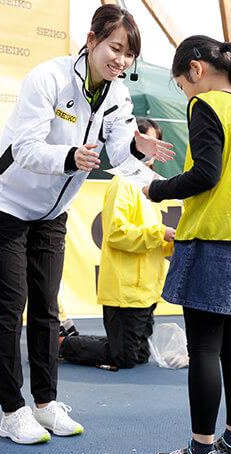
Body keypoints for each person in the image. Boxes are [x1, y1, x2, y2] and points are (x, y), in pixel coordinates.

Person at [0, 5, 174, 445]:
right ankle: (12, 410)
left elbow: (120, 156)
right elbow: (24, 148)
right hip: (7, 202)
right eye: (115, 48)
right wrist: (70, 158)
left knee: (47, 309)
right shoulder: (47, 78)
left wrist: (161, 179)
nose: (121, 60)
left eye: (129, 54)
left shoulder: (119, 94)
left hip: (51, 212)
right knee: (10, 311)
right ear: (92, 40)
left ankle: (45, 405)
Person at [142, 35, 231, 454]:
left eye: (181, 85)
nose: (185, 94)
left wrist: (157, 188)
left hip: (215, 238)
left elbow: (207, 173)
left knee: (203, 349)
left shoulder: (206, 105)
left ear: (196, 70)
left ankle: (200, 453)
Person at [58, 117, 175, 369]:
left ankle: (74, 340)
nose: (155, 147)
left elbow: (151, 236)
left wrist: (171, 241)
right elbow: (117, 234)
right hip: (126, 291)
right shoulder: (123, 182)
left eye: (158, 141)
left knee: (138, 355)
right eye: (149, 141)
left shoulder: (150, 182)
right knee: (123, 358)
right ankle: (61, 343)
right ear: (135, 144)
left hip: (146, 290)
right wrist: (161, 233)